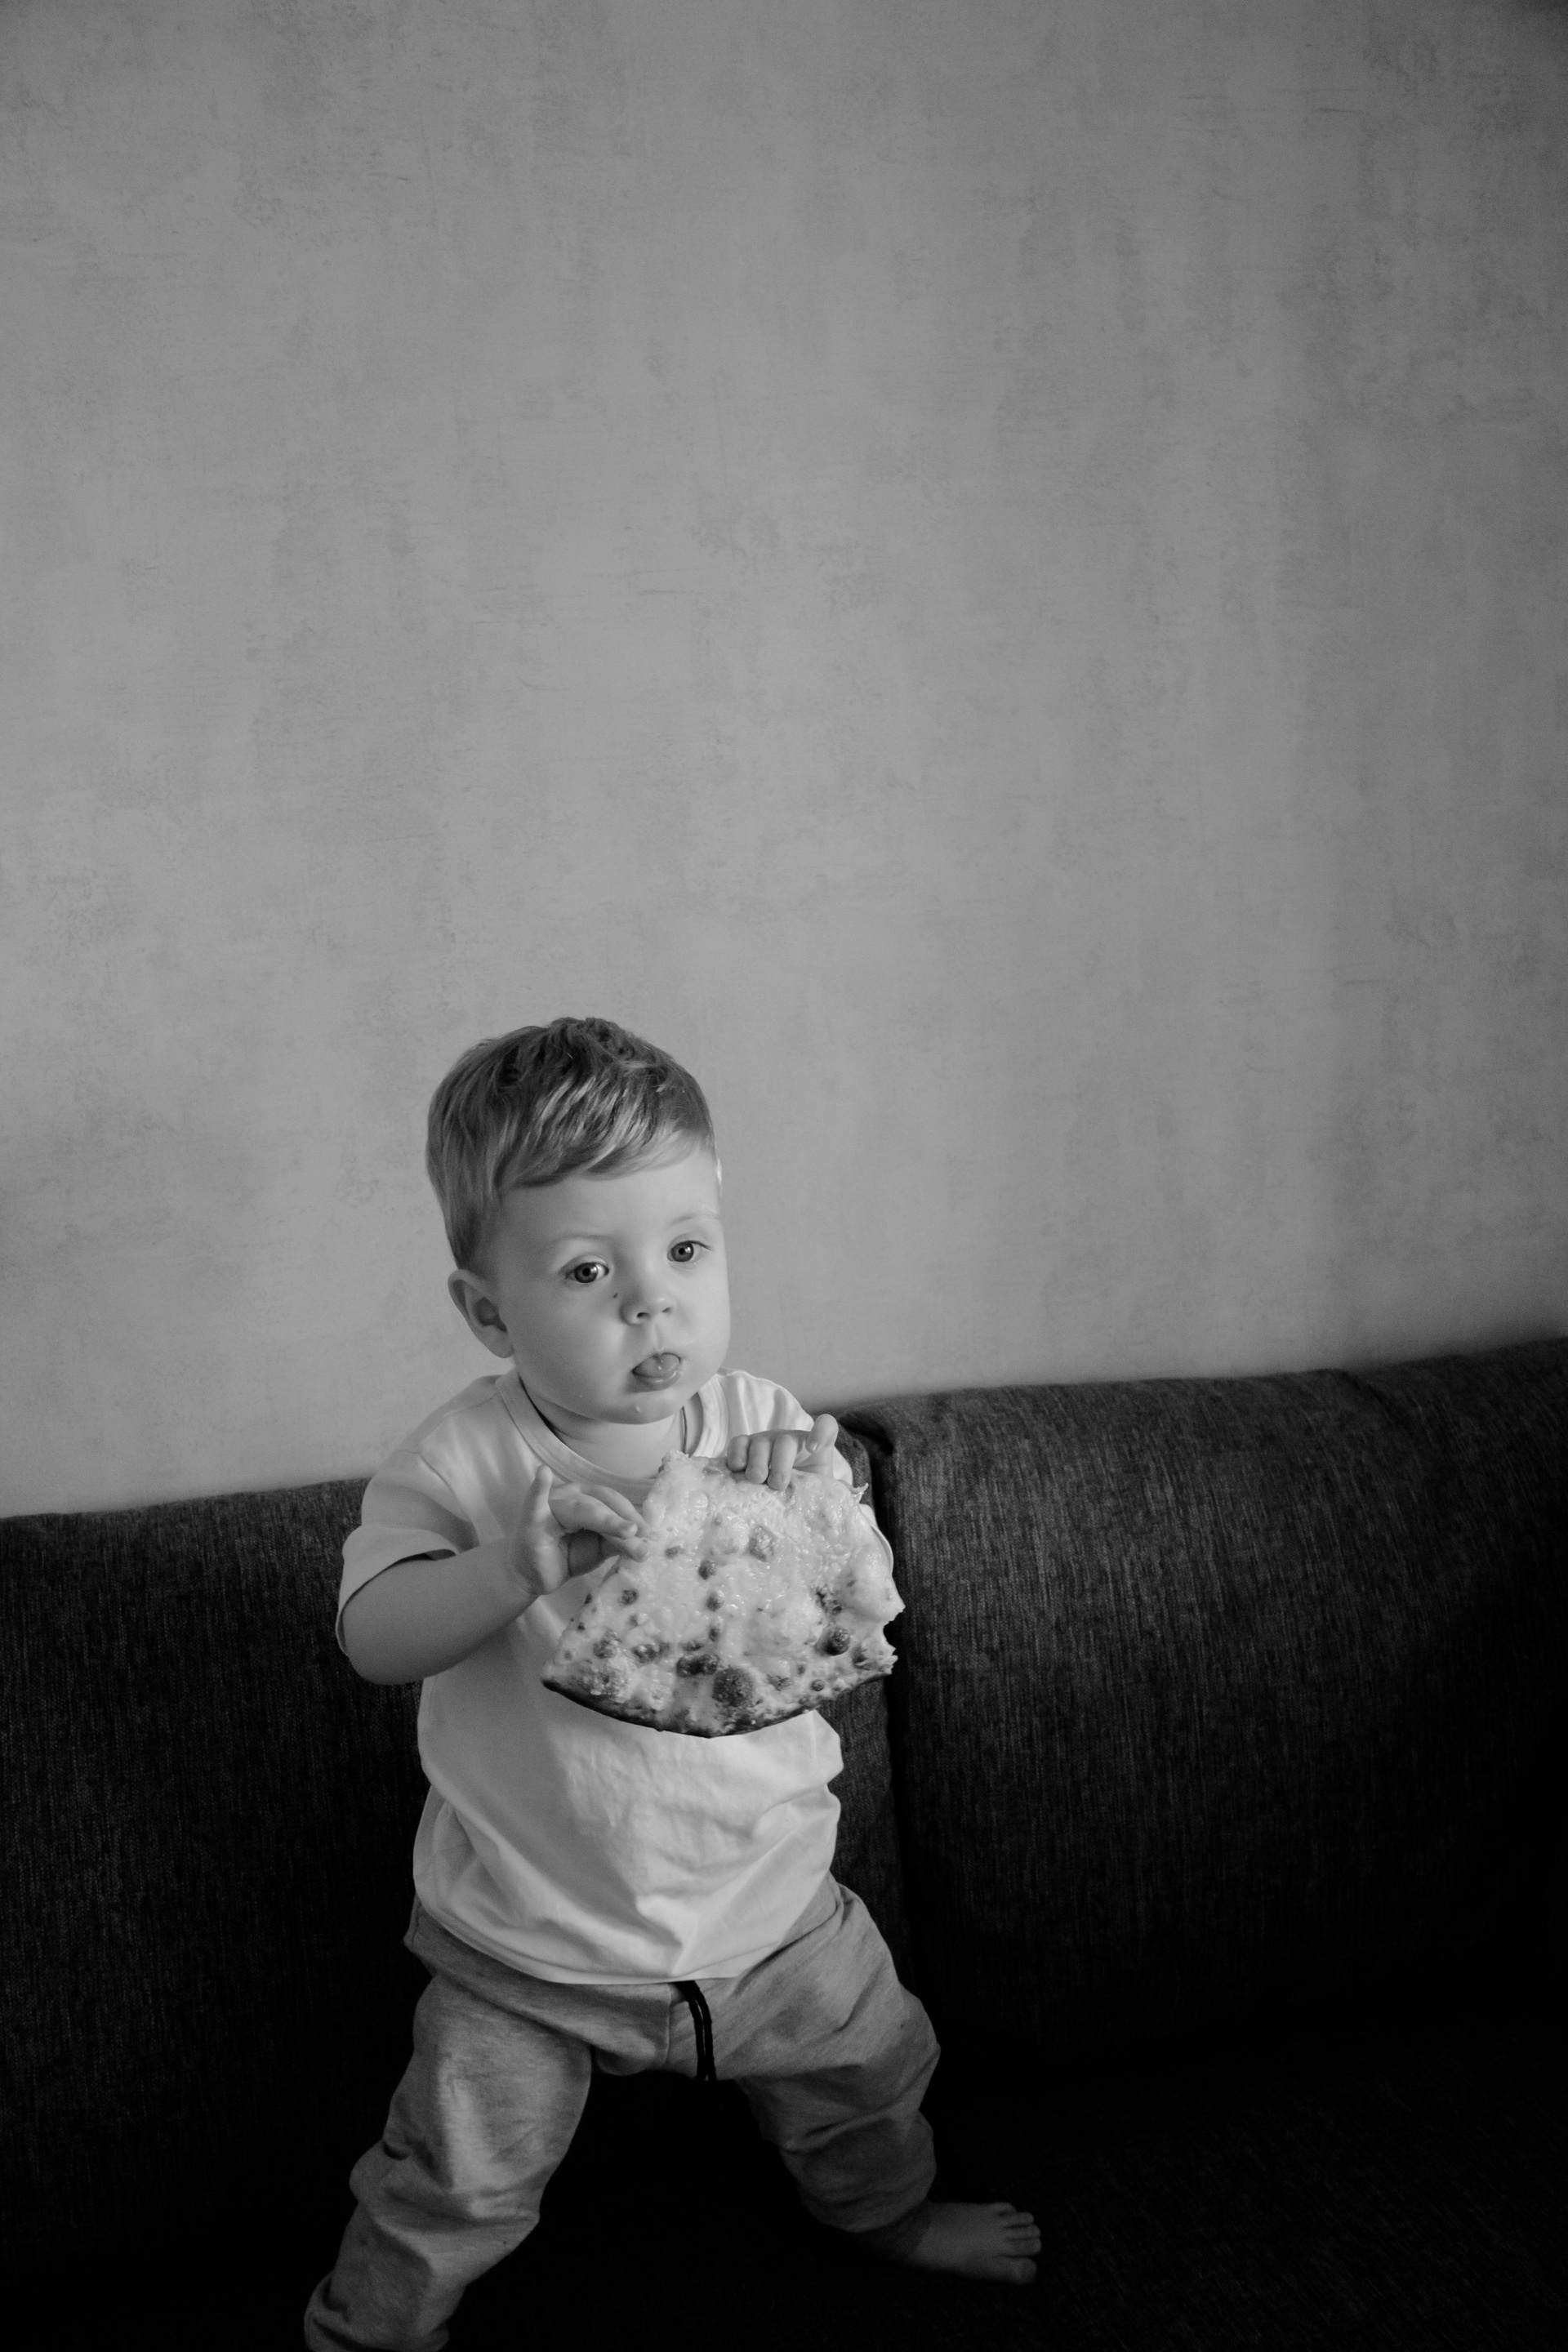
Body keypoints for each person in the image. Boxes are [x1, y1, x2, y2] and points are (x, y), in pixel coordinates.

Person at [304, 1017, 1040, 2350]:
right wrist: (509, 1570)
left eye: (686, 1251)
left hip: (772, 1905)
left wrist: (824, 1514)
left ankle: (881, 2217)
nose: (653, 1305)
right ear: (489, 1310)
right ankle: (370, 2330)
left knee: (876, 2074)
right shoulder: (463, 1464)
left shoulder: (762, 1425)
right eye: (589, 1270)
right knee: (455, 2176)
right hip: (529, 1939)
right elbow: (373, 1635)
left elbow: (855, 1607)